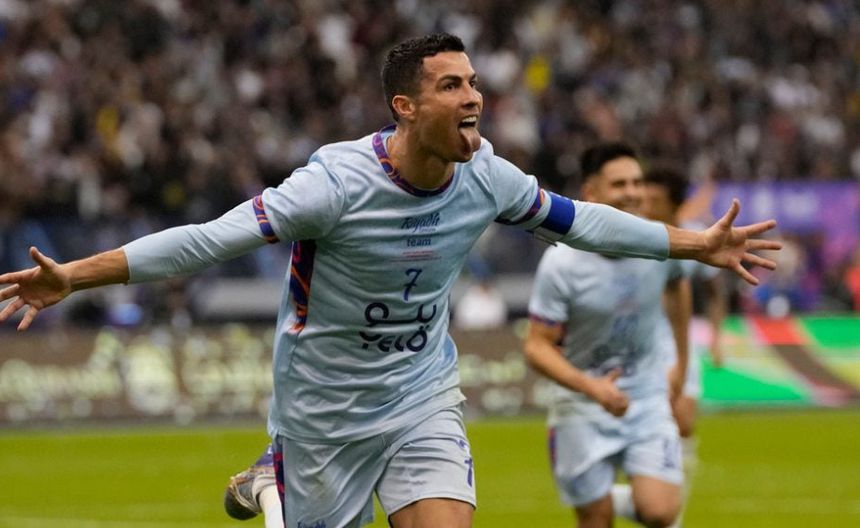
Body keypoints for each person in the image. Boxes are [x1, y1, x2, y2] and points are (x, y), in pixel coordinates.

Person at [0, 34, 780, 528]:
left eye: (473, 82)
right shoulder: (332, 187)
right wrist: (74, 276)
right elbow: (206, 241)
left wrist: (695, 244)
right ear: (405, 106)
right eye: (451, 86)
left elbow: (584, 221)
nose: (473, 97)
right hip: (323, 410)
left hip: (420, 396)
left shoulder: (488, 175)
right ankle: (274, 472)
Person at [523, 142, 695, 528]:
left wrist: (682, 364)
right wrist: (592, 388)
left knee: (661, 510)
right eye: (619, 184)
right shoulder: (562, 263)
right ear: (591, 193)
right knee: (596, 521)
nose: (632, 193)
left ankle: (600, 496)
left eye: (637, 182)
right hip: (581, 404)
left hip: (646, 397)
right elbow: (536, 346)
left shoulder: (659, 243)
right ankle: (595, 501)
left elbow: (678, 286)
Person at [607, 165, 729, 527]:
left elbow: (714, 290)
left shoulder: (695, 239)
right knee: (647, 426)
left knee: (684, 421)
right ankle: (619, 497)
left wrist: (717, 337)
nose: (646, 204)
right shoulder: (633, 235)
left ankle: (666, 514)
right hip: (636, 344)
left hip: (678, 341)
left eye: (655, 199)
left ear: (674, 203)